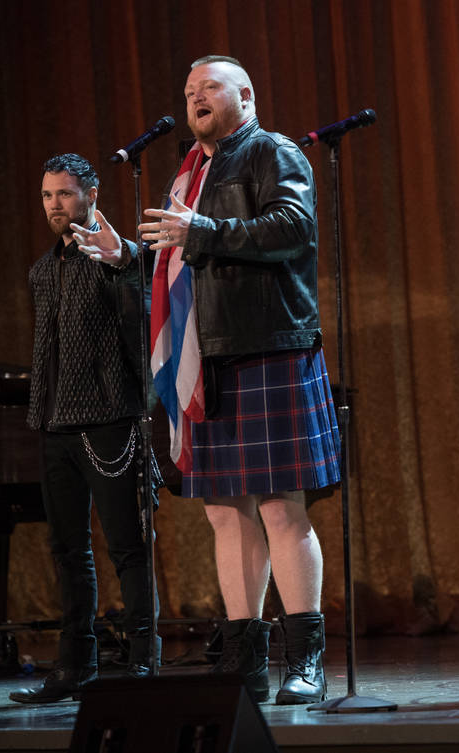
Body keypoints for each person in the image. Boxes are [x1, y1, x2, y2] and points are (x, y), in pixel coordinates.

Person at [140, 56, 340, 705]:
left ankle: (303, 659)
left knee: (281, 506)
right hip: (210, 355)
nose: (195, 97)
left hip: (270, 347)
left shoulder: (271, 152)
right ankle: (247, 660)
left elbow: (294, 227)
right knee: (225, 512)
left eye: (209, 88)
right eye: (189, 89)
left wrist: (207, 231)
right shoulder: (191, 170)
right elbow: (179, 262)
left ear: (245, 95)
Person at [10, 153, 159, 704]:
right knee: (68, 550)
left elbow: (143, 320)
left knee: (128, 547)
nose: (55, 204)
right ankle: (75, 666)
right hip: (54, 426)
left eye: (66, 194)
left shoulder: (123, 261)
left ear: (92, 194)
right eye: (48, 195)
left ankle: (144, 662)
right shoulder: (42, 270)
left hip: (108, 423)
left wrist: (122, 261)